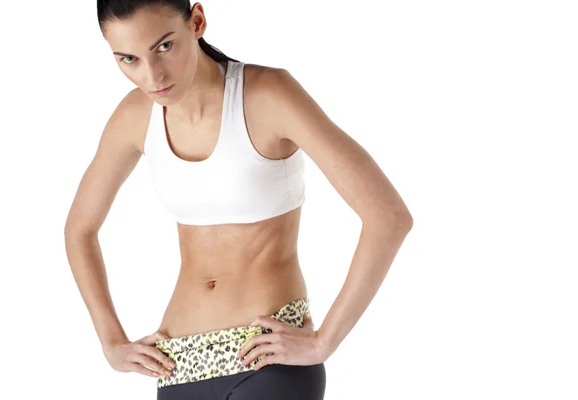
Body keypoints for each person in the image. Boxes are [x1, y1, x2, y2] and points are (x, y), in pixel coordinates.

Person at [64, 1, 413, 399]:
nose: (152, 75)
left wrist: (324, 341)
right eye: (129, 59)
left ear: (196, 22)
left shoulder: (268, 95)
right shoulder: (134, 117)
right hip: (179, 364)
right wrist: (111, 341)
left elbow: (388, 216)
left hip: (267, 357)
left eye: (164, 47)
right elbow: (80, 228)